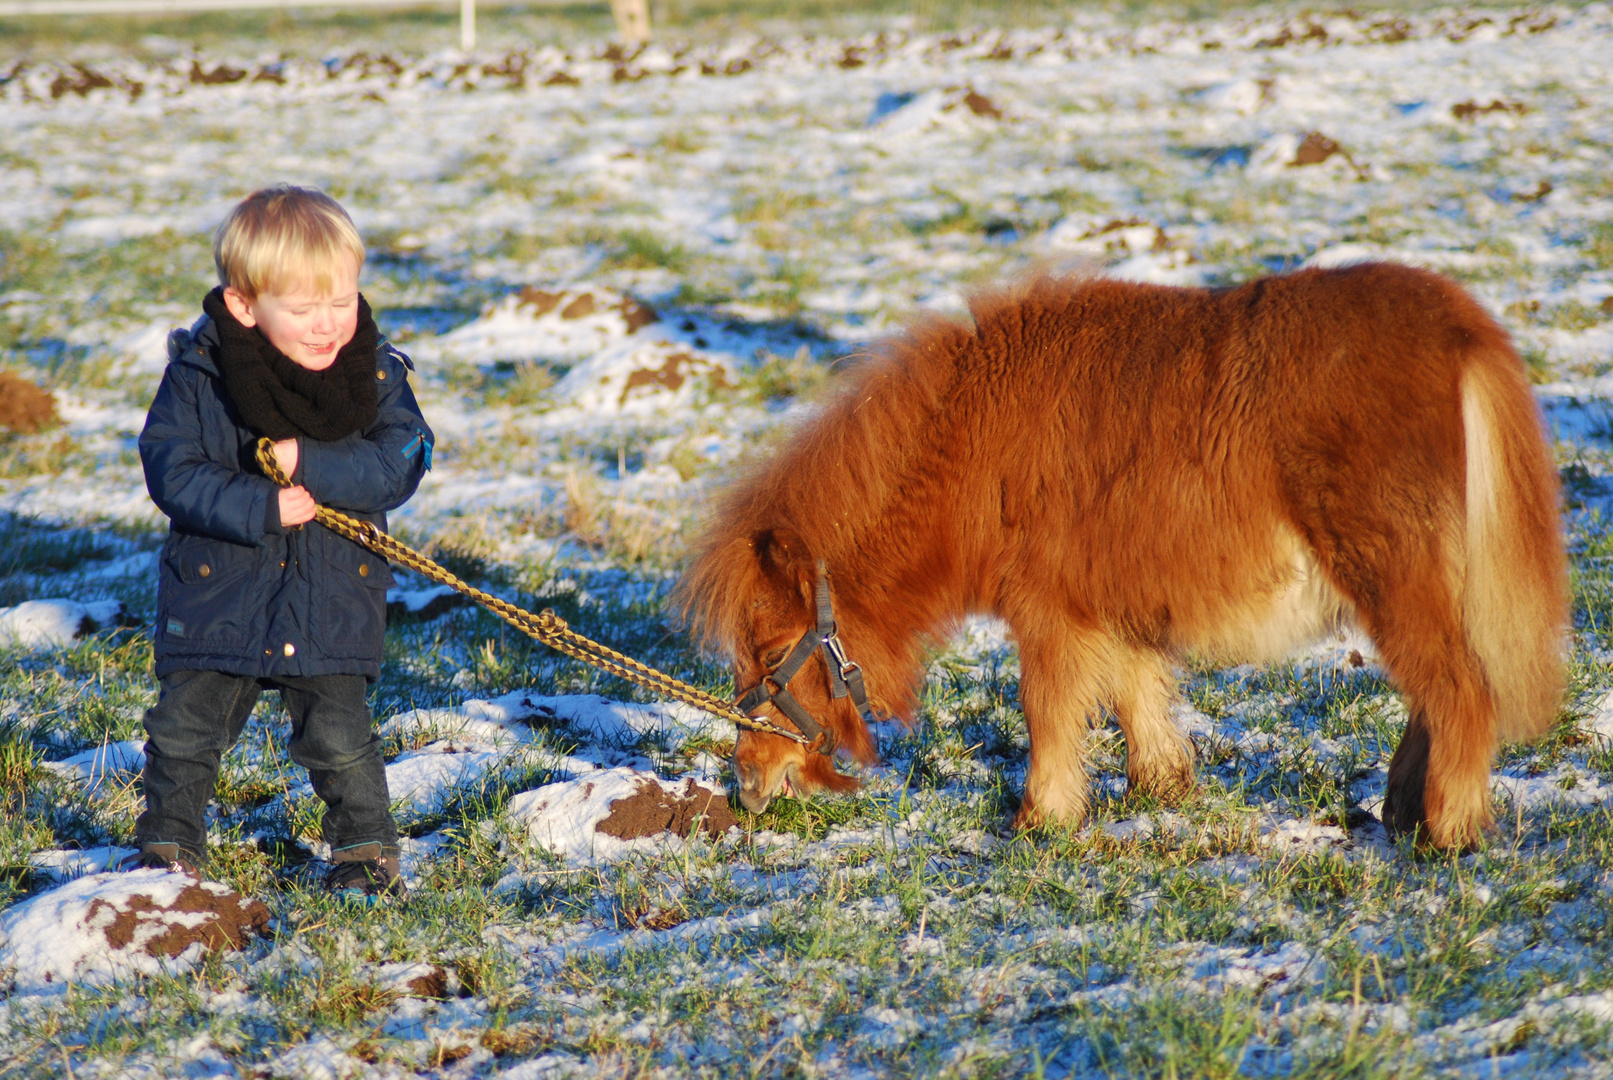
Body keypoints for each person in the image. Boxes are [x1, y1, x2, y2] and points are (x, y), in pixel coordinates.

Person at [132, 185, 433, 901]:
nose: (328, 325)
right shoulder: (201, 374)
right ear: (244, 306)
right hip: (219, 590)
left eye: (342, 301)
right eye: (302, 310)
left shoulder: (376, 374)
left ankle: (365, 851)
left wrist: (314, 464)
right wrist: (260, 503)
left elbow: (403, 458)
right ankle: (167, 845)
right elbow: (170, 466)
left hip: (329, 591)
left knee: (339, 734)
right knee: (185, 731)